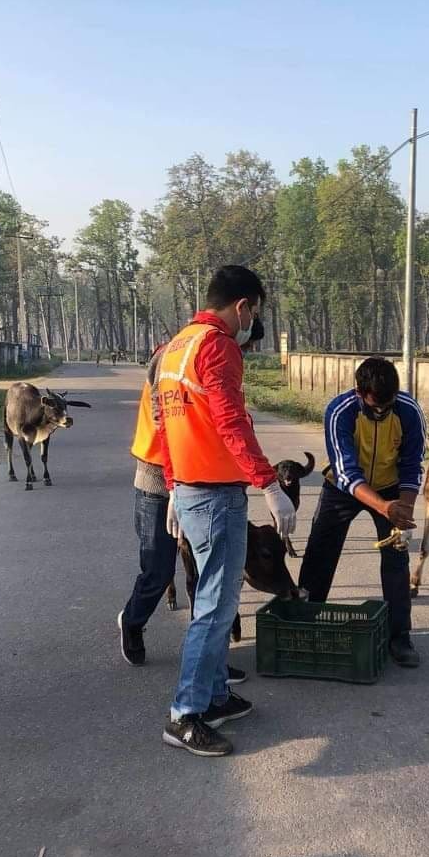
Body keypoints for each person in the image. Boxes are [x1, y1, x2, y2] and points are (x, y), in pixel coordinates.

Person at [153, 265, 296, 757]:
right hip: (214, 495)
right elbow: (231, 421)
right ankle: (185, 713)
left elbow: (164, 427)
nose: (250, 322)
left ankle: (213, 696)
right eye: (252, 312)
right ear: (243, 306)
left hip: (192, 490)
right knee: (215, 608)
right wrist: (269, 483)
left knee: (214, 600)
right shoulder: (217, 346)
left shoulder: (173, 348)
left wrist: (172, 484)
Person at [116, 321, 265, 677]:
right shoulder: (172, 356)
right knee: (159, 569)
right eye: (245, 347)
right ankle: (133, 621)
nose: (243, 355)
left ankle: (209, 663)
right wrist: (173, 487)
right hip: (158, 475)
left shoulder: (215, 357)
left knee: (206, 574)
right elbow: (164, 423)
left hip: (197, 480)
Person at [298, 356, 425, 667]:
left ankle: (400, 636)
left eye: (387, 406)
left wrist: (403, 510)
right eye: (373, 407)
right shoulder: (339, 411)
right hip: (344, 490)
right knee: (320, 552)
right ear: (358, 392)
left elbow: (411, 464)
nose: (380, 412)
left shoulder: (409, 411)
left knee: (396, 557)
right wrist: (383, 507)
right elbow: (346, 472)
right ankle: (305, 622)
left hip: (391, 488)